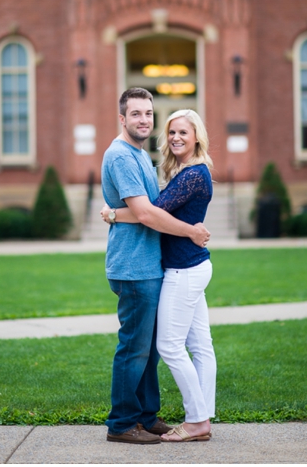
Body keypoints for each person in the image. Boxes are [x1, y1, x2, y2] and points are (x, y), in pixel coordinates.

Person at [101, 89, 210, 445]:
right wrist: (191, 232)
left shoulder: (140, 155)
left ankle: (147, 417)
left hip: (151, 265)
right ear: (122, 118)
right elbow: (148, 213)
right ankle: (121, 423)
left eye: (148, 113)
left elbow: (153, 206)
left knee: (147, 349)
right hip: (133, 267)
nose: (144, 119)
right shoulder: (120, 156)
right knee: (134, 348)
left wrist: (115, 213)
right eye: (136, 114)